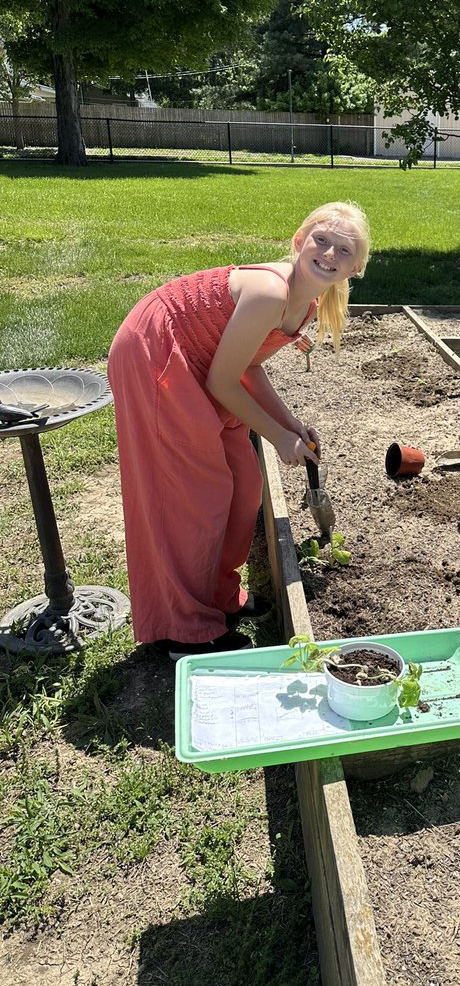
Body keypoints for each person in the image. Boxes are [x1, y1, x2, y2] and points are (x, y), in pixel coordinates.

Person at [107, 201, 370, 660]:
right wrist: (277, 437)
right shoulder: (271, 292)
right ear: (298, 241)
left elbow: (246, 366)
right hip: (158, 353)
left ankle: (219, 596)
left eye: (343, 250)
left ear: (356, 267)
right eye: (321, 240)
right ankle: (182, 630)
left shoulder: (306, 304)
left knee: (245, 482)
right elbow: (223, 382)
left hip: (203, 365)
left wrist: (291, 424)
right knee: (193, 493)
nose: (328, 253)